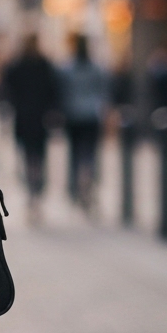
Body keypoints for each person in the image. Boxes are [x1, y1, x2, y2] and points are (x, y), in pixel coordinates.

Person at [1, 35, 58, 223]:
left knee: (27, 156)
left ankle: (31, 194)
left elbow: (7, 88)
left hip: (23, 118)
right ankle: (37, 191)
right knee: (40, 157)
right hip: (40, 118)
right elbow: (53, 91)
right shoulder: (44, 65)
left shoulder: (17, 66)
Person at [59, 34, 108, 210]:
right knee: (90, 154)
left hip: (73, 115)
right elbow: (104, 91)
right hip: (91, 115)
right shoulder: (96, 68)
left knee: (74, 154)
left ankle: (76, 188)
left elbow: (62, 93)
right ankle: (88, 182)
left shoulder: (67, 69)